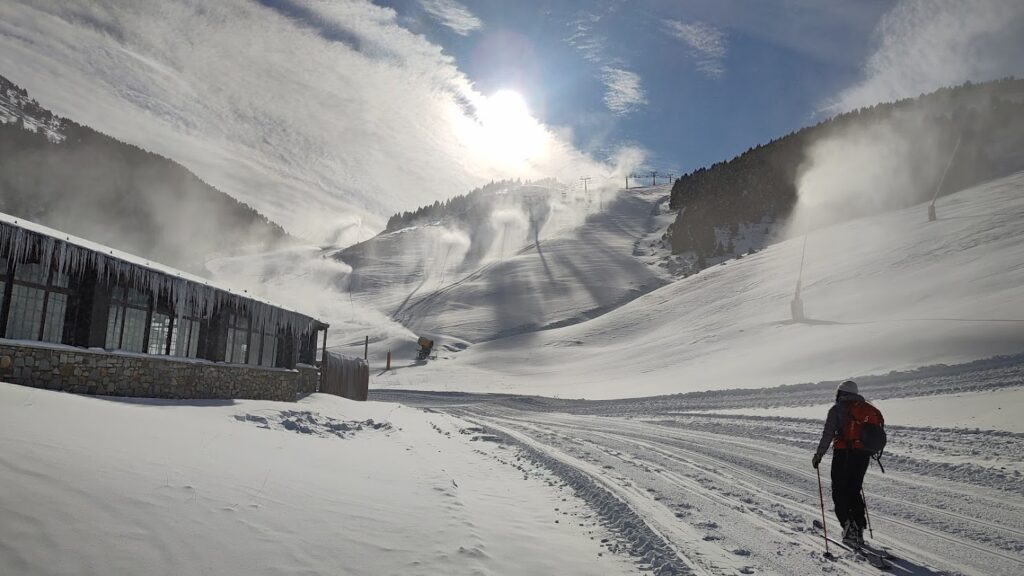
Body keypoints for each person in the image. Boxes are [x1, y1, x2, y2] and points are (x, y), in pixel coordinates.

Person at [812, 380, 872, 545]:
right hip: (863, 456)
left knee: (839, 491)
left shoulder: (837, 409)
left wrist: (819, 455)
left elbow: (827, 435)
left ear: (841, 393)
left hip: (843, 454)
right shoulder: (866, 409)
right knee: (854, 490)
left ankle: (848, 528)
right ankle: (859, 526)